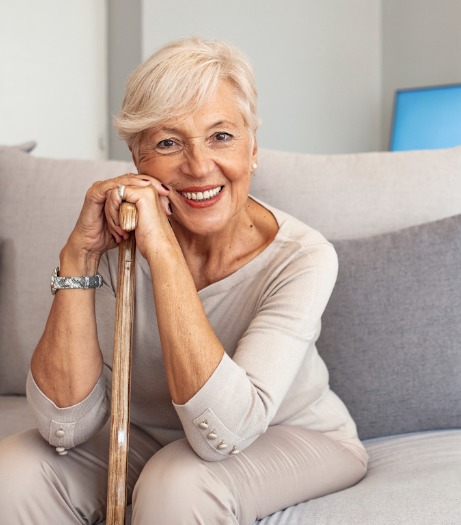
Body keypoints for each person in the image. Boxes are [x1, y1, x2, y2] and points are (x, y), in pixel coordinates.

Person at [0, 37, 367, 523]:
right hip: (145, 437)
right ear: (138, 159)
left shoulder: (302, 257)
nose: (198, 167)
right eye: (169, 143)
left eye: (221, 137)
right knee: (15, 471)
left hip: (289, 434)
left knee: (177, 482)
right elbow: (61, 427)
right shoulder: (113, 241)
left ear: (253, 148)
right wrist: (79, 257)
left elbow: (226, 433)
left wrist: (164, 252)